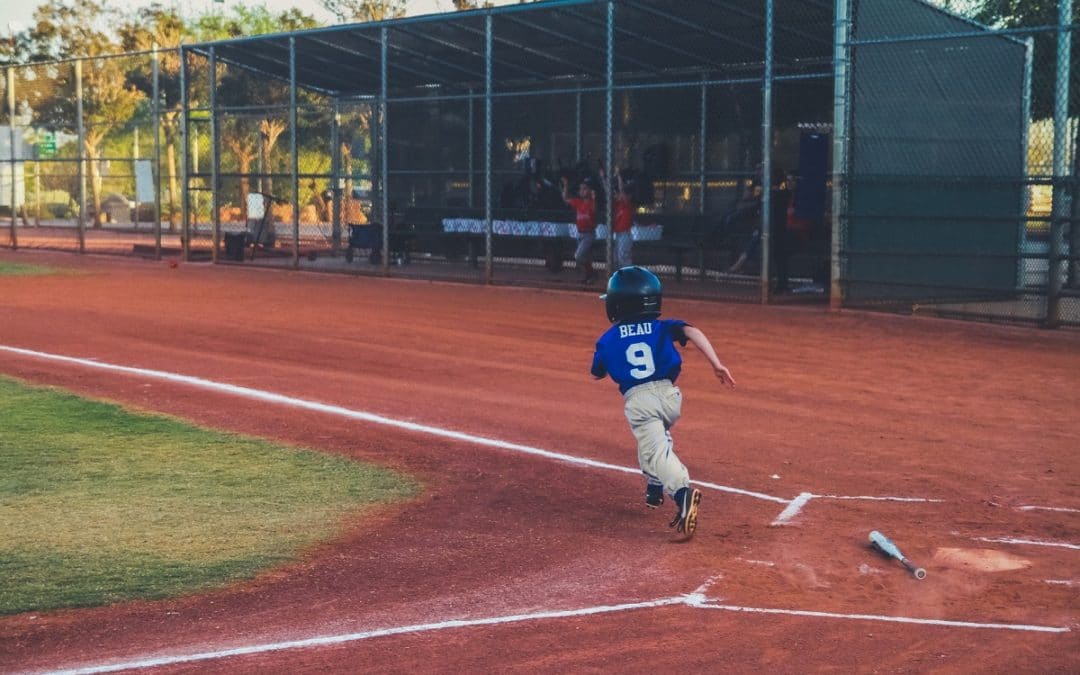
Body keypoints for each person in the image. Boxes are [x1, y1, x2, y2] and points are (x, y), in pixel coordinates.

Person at [590, 266, 736, 539]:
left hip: (640, 401)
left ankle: (682, 493)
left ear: (617, 305)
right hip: (670, 397)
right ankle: (655, 486)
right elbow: (693, 332)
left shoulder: (607, 339)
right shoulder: (662, 326)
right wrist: (716, 363)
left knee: (657, 451)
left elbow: (597, 372)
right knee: (655, 442)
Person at [561, 175, 598, 283]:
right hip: (580, 233)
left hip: (589, 234)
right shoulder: (578, 202)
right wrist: (565, 185)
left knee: (578, 256)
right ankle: (589, 276)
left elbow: (594, 210)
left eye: (584, 189)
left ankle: (592, 274)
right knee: (584, 257)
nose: (581, 191)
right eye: (581, 189)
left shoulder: (592, 203)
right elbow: (565, 199)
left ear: (590, 191)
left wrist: (594, 197)